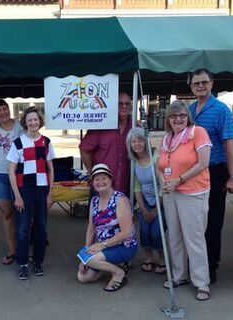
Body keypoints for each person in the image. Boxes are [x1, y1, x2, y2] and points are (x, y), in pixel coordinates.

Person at [157, 100, 212, 301]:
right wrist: (164, 180)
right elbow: (160, 164)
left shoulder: (198, 132)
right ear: (168, 120)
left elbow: (203, 163)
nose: (178, 119)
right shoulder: (167, 138)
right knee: (175, 236)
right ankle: (179, 275)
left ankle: (201, 282)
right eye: (173, 116)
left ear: (187, 117)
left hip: (193, 193)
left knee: (194, 238)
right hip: (171, 193)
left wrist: (179, 180)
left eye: (181, 115)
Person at [188, 68, 233, 284]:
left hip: (216, 171)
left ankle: (210, 267)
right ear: (190, 86)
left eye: (204, 82)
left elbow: (229, 143)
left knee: (213, 221)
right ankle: (197, 264)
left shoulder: (221, 110)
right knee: (196, 220)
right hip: (193, 172)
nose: (200, 86)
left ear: (212, 83)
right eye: (196, 83)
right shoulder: (189, 110)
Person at [7, 107, 54, 280]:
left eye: (35, 119)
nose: (33, 122)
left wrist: (51, 192)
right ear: (25, 123)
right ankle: (22, 264)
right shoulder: (18, 143)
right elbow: (11, 171)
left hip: (42, 189)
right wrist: (17, 196)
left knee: (41, 228)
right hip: (24, 190)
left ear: (39, 121)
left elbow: (50, 169)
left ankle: (38, 262)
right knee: (22, 229)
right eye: (29, 120)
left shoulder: (46, 142)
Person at [77, 163, 138, 292]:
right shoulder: (94, 201)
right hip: (102, 246)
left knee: (92, 260)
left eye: (103, 178)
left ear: (110, 180)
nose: (100, 182)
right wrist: (84, 257)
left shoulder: (120, 200)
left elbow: (126, 233)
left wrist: (102, 245)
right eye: (96, 179)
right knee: (83, 277)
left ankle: (118, 273)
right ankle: (107, 264)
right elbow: (91, 229)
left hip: (123, 246)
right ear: (92, 183)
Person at [0, 99, 23, 265]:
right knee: (7, 213)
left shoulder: (20, 127)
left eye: (5, 109)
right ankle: (12, 250)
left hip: (18, 175)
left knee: (22, 213)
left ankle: (24, 247)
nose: (3, 113)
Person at [126, 127, 166, 274]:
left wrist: (156, 209)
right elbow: (137, 186)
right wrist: (142, 208)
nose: (137, 144)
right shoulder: (134, 162)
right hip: (146, 203)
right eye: (133, 141)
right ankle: (149, 258)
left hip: (161, 202)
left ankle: (162, 259)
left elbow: (163, 185)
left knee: (156, 233)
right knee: (144, 231)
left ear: (146, 141)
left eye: (140, 140)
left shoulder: (156, 158)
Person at [79, 92, 132, 194]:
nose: (124, 106)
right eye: (120, 104)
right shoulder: (102, 124)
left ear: (130, 106)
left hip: (126, 187)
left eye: (127, 103)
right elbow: (84, 149)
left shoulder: (135, 127)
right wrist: (91, 171)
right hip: (101, 187)